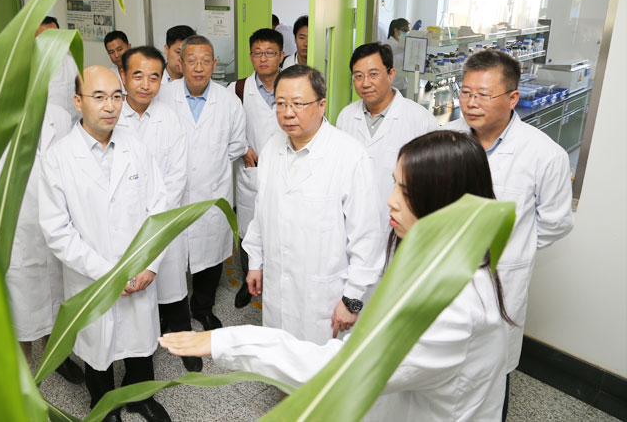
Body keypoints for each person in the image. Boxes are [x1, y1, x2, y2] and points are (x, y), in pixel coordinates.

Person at [160, 130, 512, 421]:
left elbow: (343, 368)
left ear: (444, 202)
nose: (390, 200)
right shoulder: (439, 263)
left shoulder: (456, 307)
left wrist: (227, 342)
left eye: (405, 191)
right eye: (394, 184)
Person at [445, 49, 573, 415]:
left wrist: (511, 248)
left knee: (489, 381)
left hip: (501, 281)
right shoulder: (445, 138)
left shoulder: (544, 155)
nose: (471, 103)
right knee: (441, 370)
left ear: (513, 97)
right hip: (446, 275)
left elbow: (555, 222)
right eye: (466, 92)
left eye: (483, 95)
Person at [40, 66, 171, 422]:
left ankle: (142, 397)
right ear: (78, 101)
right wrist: (109, 274)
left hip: (139, 270)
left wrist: (151, 263)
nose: (110, 106)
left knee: (139, 341)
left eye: (116, 96)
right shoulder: (58, 158)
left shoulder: (135, 146)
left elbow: (159, 208)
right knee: (97, 347)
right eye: (98, 97)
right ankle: (103, 405)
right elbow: (57, 230)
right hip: (92, 275)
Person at [242, 65, 384, 344]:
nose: (287, 112)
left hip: (325, 296)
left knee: (324, 365)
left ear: (321, 105)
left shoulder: (349, 156)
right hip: (278, 288)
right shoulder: (271, 149)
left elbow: (367, 238)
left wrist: (352, 299)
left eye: (298, 103)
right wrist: (255, 262)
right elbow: (261, 214)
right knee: (280, 357)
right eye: (280, 103)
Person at [115, 46, 201, 373]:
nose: (146, 85)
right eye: (138, 76)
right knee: (133, 297)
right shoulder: (111, 115)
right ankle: (140, 357)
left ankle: (184, 343)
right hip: (122, 223)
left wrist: (157, 218)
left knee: (173, 287)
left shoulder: (169, 118)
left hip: (163, 219)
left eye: (154, 77)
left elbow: (177, 176)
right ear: (123, 76)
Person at [0, 103, 83, 385]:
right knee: (22, 314)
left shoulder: (60, 116)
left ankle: (57, 358)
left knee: (57, 304)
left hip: (58, 231)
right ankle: (23, 377)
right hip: (16, 237)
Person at [156, 35, 247, 331]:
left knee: (210, 257)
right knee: (170, 258)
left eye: (205, 61)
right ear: (180, 62)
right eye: (191, 60)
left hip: (212, 192)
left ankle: (203, 308)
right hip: (173, 194)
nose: (198, 68)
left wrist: (210, 162)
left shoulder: (229, 101)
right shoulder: (163, 96)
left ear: (214, 63)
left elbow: (236, 145)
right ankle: (172, 313)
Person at [336, 43, 438, 220]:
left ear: (391, 74)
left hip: (400, 222)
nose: (365, 83)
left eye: (373, 74)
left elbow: (434, 181)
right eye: (358, 76)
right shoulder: (346, 117)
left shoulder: (420, 120)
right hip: (353, 221)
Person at [228, 28, 285, 309]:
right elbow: (226, 128)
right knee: (248, 229)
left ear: (281, 56)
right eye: (257, 53)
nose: (263, 59)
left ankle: (276, 282)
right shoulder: (237, 89)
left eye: (270, 53)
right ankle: (247, 283)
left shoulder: (293, 85)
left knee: (282, 228)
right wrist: (242, 147)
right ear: (250, 56)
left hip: (286, 172)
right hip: (251, 170)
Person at [37, 16, 80, 119]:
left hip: (71, 124)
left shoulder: (70, 63)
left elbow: (81, 95)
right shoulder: (24, 68)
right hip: (42, 127)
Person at [385, 18, 410, 91]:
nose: (406, 33)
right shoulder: (390, 44)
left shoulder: (401, 44)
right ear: (396, 30)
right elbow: (402, 46)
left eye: (407, 31)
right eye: (404, 30)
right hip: (393, 85)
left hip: (404, 84)